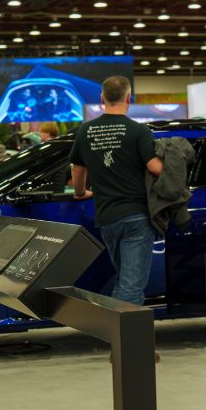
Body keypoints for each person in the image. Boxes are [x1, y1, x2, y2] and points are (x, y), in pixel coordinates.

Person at [70, 75, 163, 306]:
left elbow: (78, 171)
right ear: (129, 97)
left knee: (124, 280)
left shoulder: (86, 131)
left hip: (107, 217)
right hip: (137, 216)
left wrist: (81, 193)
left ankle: (117, 333)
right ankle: (126, 338)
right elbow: (155, 168)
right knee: (131, 286)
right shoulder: (138, 130)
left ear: (102, 98)